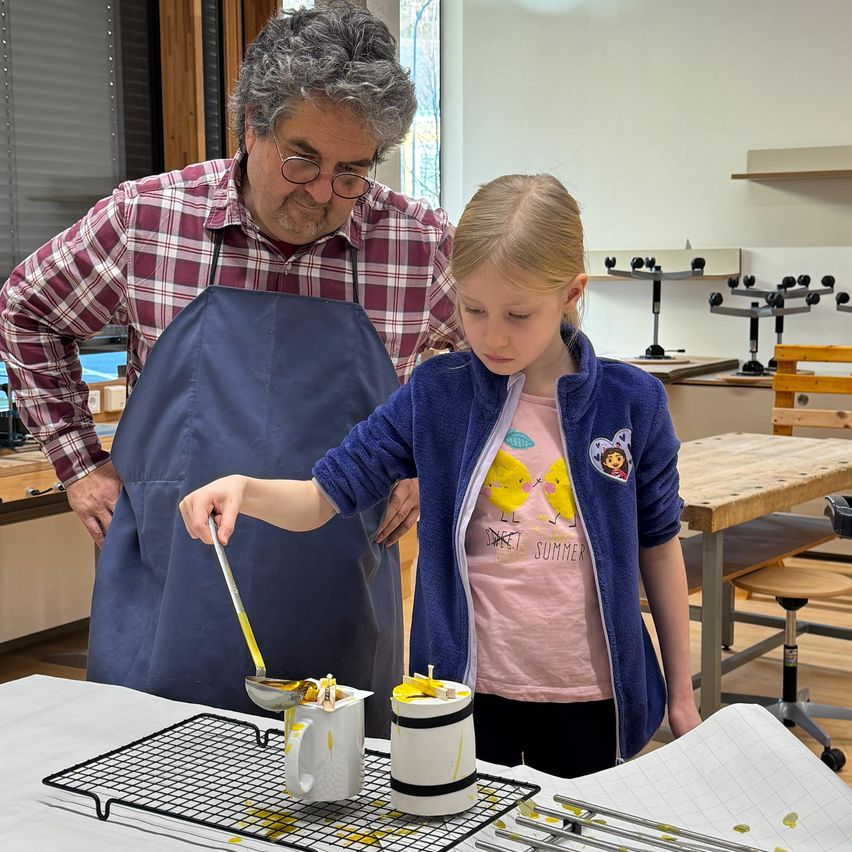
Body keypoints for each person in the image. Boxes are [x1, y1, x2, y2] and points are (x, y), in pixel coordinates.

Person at [0, 2, 462, 737]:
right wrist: (78, 465)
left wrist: (423, 462)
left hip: (340, 589)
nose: (320, 195)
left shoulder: (417, 246)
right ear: (250, 124)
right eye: (301, 158)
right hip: (170, 586)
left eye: (350, 173)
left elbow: (497, 366)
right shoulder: (148, 221)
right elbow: (24, 310)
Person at [180, 173, 703, 777]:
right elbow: (323, 496)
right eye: (473, 309)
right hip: (464, 695)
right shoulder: (438, 395)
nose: (491, 335)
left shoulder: (632, 403)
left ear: (571, 293)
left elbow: (658, 548)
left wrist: (682, 698)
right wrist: (245, 489)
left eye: (518, 314)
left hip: (594, 696)